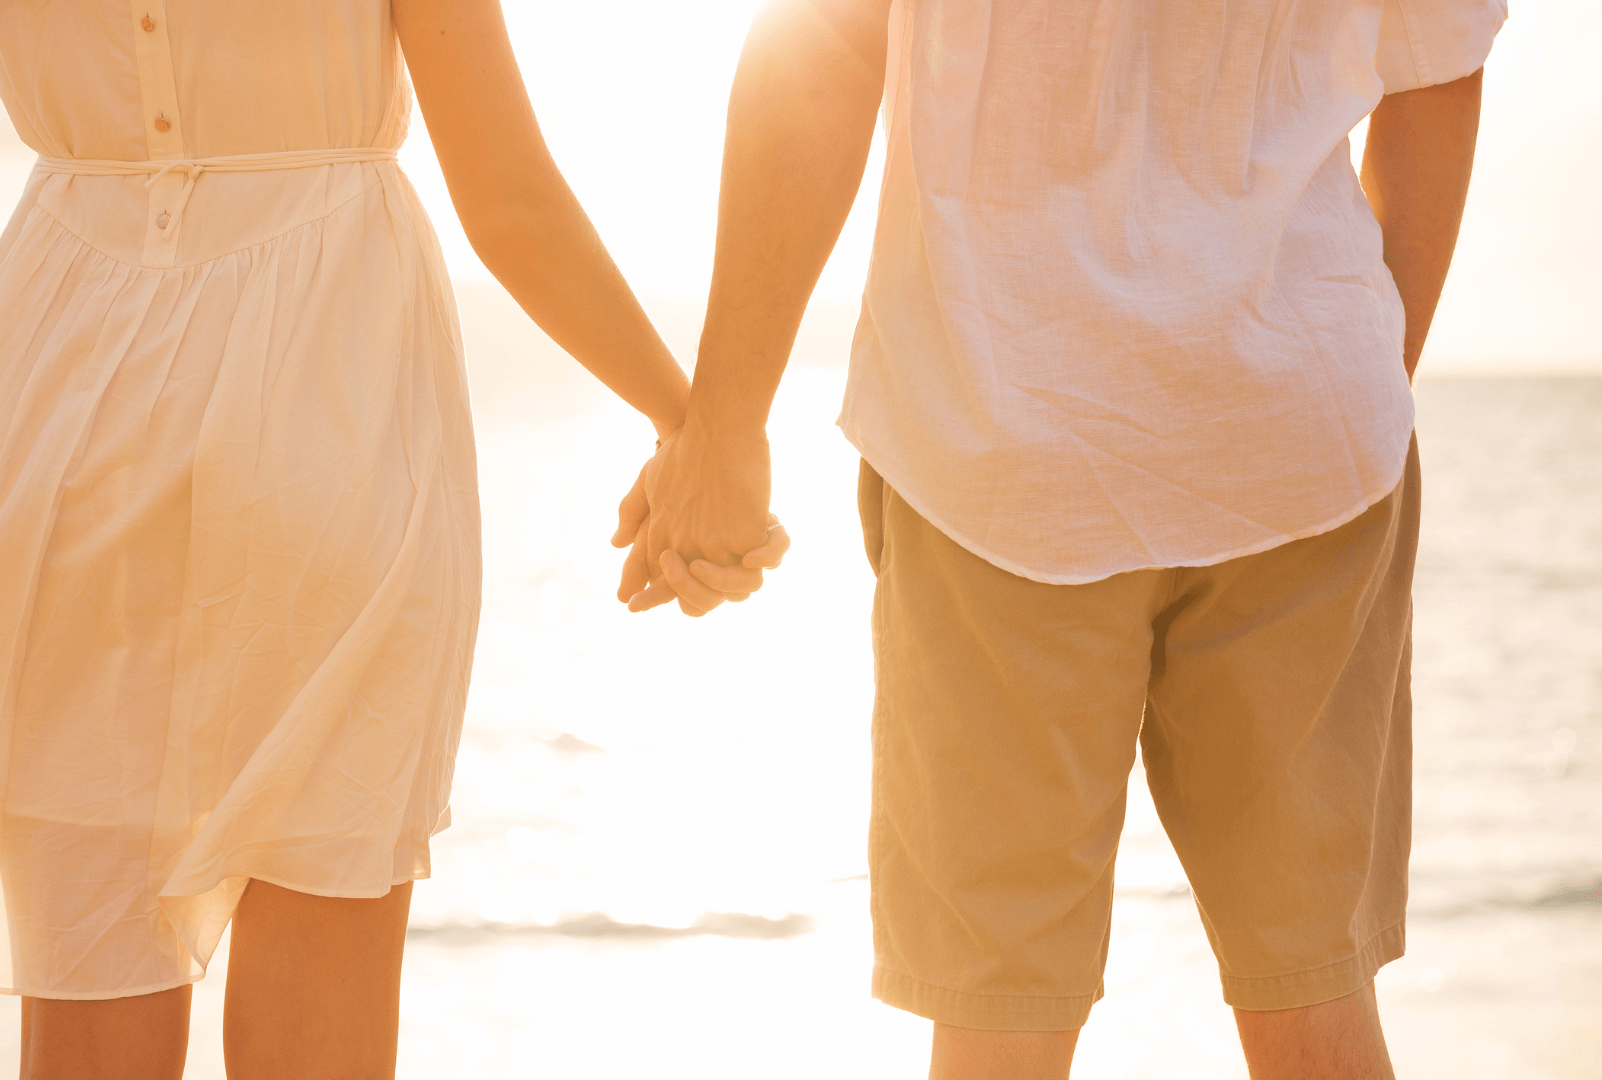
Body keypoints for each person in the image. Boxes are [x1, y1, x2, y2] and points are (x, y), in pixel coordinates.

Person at [0, 2, 781, 1078]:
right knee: (321, 986)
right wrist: (692, 433)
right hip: (331, 397)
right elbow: (506, 202)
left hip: (64, 395)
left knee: (90, 1009)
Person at [618, 0, 1501, 1075]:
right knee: (1316, 1015)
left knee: (1000, 1031)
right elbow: (1437, 68)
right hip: (1299, 444)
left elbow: (827, 46)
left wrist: (721, 428)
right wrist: (1348, 359)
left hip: (1002, 427)